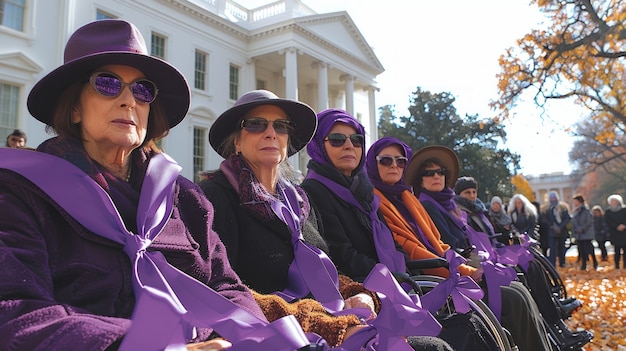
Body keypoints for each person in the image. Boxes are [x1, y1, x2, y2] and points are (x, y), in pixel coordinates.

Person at [0, 20, 315, 351]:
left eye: (142, 90)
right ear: (74, 107)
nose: (129, 101)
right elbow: (16, 311)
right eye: (107, 84)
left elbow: (226, 285)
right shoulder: (21, 193)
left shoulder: (185, 198)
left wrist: (244, 338)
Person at [199, 91, 450, 351]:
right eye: (255, 124)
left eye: (281, 126)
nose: (271, 133)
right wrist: (323, 324)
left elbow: (327, 269)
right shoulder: (214, 198)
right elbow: (224, 291)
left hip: (331, 320)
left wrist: (356, 293)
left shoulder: (298, 201)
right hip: (276, 336)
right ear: (236, 142)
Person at [403, 145, 593, 351]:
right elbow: (450, 244)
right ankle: (552, 334)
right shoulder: (428, 205)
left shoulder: (448, 204)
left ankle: (555, 331)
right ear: (420, 179)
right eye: (429, 173)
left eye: (440, 172)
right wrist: (480, 260)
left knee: (525, 270)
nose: (436, 176)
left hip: (472, 258)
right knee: (517, 288)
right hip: (458, 268)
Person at [541, 191, 571, 268]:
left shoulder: (563, 207)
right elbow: (544, 219)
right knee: (552, 249)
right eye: (551, 198)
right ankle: (552, 264)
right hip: (552, 231)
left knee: (562, 248)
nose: (553, 199)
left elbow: (567, 218)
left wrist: (561, 226)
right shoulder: (546, 208)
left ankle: (562, 262)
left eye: (554, 198)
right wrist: (552, 226)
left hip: (562, 230)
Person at [571, 195, 598, 271]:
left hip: (586, 233)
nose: (574, 203)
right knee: (581, 250)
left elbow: (588, 221)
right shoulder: (575, 211)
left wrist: (582, 228)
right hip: (579, 235)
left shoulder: (586, 210)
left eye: (576, 201)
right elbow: (573, 221)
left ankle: (594, 262)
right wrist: (576, 229)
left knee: (589, 249)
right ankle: (583, 265)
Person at [605, 194, 626, 269]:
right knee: (616, 251)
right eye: (611, 201)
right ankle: (616, 265)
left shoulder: (624, 210)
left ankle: (625, 265)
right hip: (615, 233)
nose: (613, 203)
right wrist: (616, 226)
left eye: (614, 201)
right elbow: (608, 222)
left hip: (624, 232)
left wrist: (623, 225)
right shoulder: (608, 212)